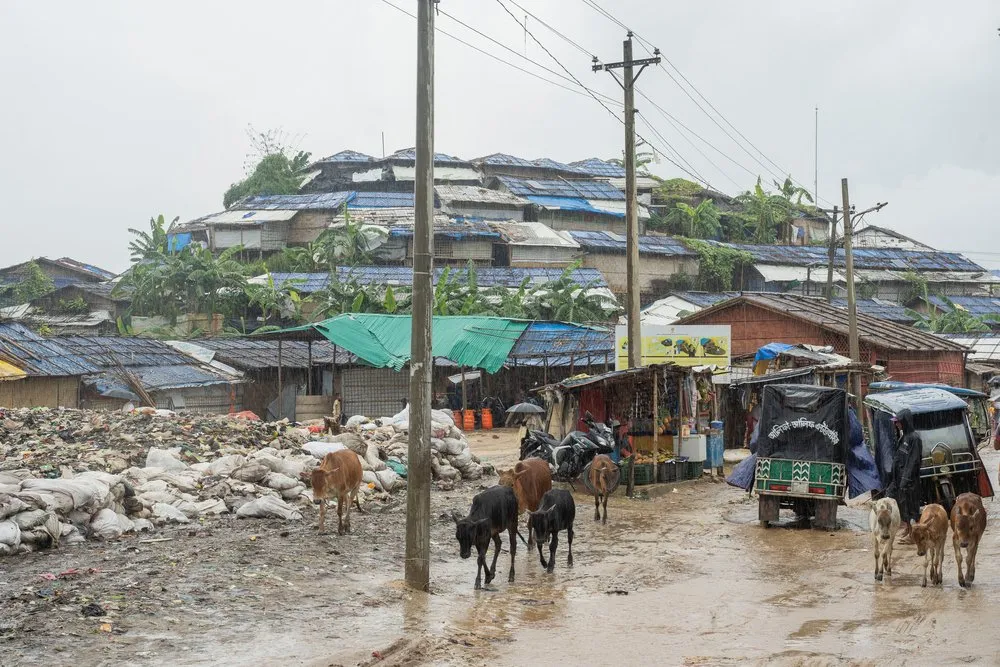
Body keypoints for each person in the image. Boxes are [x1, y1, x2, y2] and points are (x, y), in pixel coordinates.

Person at [886, 408, 922, 538]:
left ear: (905, 422)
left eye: (898, 422)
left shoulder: (914, 439)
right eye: (895, 422)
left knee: (912, 507)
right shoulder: (904, 437)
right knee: (902, 505)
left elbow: (913, 461)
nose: (896, 424)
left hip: (910, 482)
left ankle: (914, 534)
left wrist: (905, 479)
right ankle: (908, 528)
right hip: (899, 480)